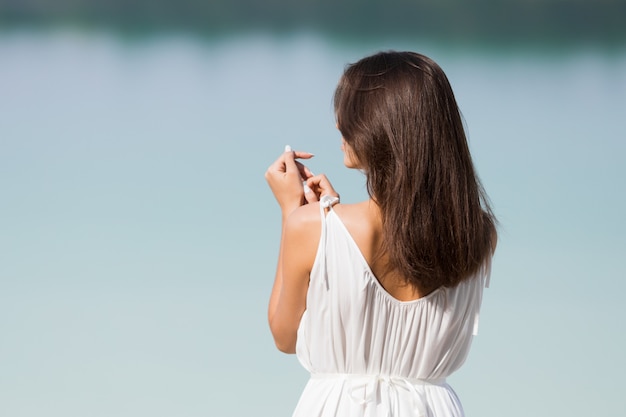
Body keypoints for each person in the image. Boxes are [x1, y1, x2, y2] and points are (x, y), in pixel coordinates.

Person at [265, 51, 497, 417]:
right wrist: (329, 218)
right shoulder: (477, 234)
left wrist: (293, 213)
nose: (339, 125)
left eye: (351, 116)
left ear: (383, 129)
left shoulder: (310, 227)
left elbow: (285, 335)